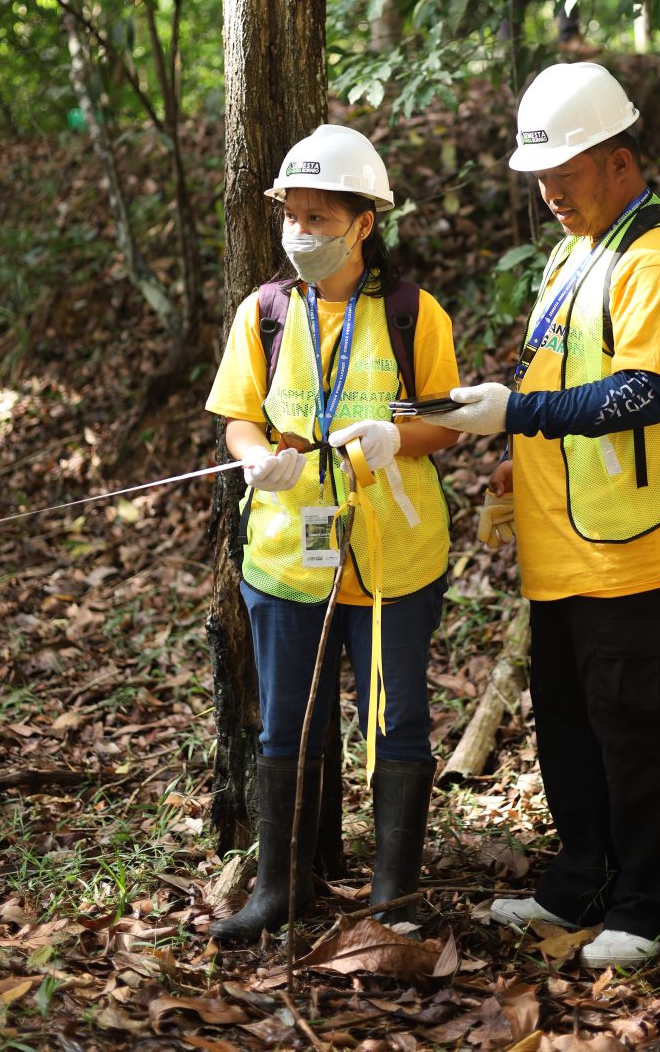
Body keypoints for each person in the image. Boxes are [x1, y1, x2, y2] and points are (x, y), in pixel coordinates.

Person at [422, 63, 660, 971]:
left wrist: (514, 413)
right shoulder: (575, 251)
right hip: (566, 542)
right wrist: (514, 459)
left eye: (565, 174)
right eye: (541, 179)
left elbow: (642, 393)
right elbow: (563, 380)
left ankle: (651, 906)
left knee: (638, 725)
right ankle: (581, 881)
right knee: (569, 719)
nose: (551, 194)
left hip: (642, 544)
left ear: (620, 160)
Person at [205, 124, 459, 944]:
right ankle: (280, 890)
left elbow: (446, 421)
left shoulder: (413, 314)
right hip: (288, 557)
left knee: (396, 722)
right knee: (286, 725)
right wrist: (254, 460)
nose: (301, 232)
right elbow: (239, 416)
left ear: (364, 223)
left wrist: (396, 436)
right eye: (293, 216)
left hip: (392, 557)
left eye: (319, 218)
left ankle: (394, 898)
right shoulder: (265, 313)